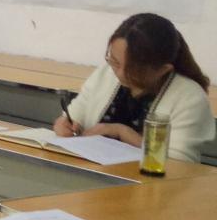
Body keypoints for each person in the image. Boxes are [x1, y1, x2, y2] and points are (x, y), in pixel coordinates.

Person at [56, 12, 214, 164]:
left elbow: (181, 163)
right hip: (94, 173)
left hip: (150, 181)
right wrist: (65, 125)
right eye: (115, 62)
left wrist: (121, 132)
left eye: (133, 69)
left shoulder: (189, 97)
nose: (120, 73)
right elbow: (75, 116)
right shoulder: (106, 74)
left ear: (163, 70)